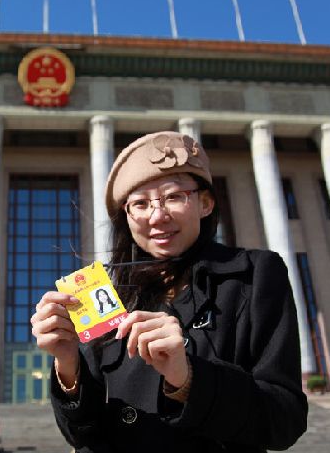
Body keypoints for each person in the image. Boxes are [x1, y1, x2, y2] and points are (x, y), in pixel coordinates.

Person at [31, 131, 308, 452]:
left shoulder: (253, 274)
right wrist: (67, 364)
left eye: (174, 197)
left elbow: (284, 420)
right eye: (140, 204)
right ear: (127, 217)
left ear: (205, 203)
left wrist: (188, 379)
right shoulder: (102, 290)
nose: (157, 215)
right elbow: (82, 434)